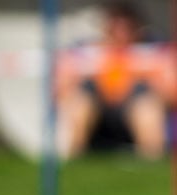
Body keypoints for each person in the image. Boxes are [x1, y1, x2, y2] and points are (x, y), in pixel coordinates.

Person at [57, 2, 175, 160]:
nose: (121, 33)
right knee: (80, 104)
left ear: (137, 27)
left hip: (136, 108)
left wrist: (147, 75)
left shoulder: (155, 50)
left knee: (147, 107)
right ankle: (75, 157)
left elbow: (171, 93)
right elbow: (61, 88)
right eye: (116, 27)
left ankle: (151, 158)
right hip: (98, 111)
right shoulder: (85, 51)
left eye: (127, 27)